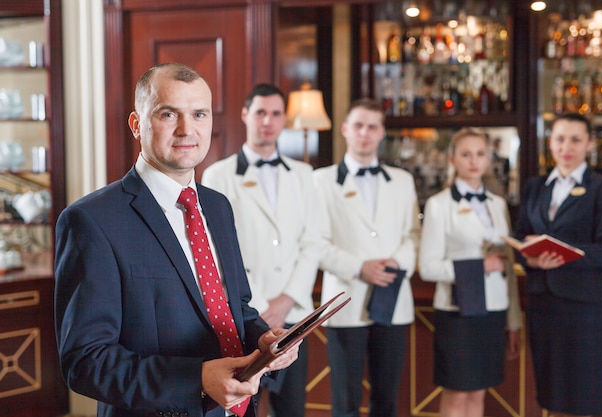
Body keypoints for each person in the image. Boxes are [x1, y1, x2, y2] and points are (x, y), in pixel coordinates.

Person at [54, 63, 299, 417]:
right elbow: (85, 362)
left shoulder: (217, 206)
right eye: (169, 114)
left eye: (199, 114)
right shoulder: (92, 221)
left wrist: (264, 340)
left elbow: (237, 309)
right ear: (137, 125)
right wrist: (196, 379)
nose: (187, 129)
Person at [201, 83, 321, 417]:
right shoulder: (218, 175)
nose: (267, 120)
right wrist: (255, 309)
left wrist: (286, 301)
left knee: (291, 409)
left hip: (292, 316)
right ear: (245, 115)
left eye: (275, 113)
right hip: (241, 316)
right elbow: (210, 253)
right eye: (260, 112)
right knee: (241, 408)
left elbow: (313, 243)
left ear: (284, 119)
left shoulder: (304, 175)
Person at [313, 98, 420, 417]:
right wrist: (360, 267)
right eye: (358, 125)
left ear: (382, 133)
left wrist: (397, 264)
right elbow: (315, 242)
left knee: (386, 400)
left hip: (393, 299)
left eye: (372, 126)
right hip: (345, 301)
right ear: (345, 129)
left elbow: (414, 235)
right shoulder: (320, 180)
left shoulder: (403, 181)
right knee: (344, 401)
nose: (364, 133)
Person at [515, 112, 602, 417]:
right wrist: (529, 255)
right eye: (560, 139)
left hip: (584, 307)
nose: (567, 146)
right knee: (550, 393)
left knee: (583, 397)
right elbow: (520, 234)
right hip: (542, 303)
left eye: (576, 140)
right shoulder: (535, 187)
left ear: (589, 143)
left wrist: (562, 254)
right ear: (549, 143)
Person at [418, 128, 521, 417]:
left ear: (488, 159)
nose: (474, 161)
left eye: (480, 154)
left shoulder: (497, 205)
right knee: (457, 392)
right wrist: (479, 266)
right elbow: (427, 267)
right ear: (453, 159)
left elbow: (508, 270)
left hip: (493, 309)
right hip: (457, 312)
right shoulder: (439, 205)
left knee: (479, 391)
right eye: (466, 154)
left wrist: (513, 323)